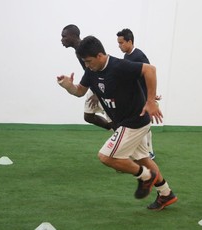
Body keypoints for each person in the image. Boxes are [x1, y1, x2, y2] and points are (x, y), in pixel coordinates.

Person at [56, 35, 178, 210]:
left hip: (135, 121)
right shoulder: (91, 71)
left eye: (89, 61)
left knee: (106, 156)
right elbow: (80, 92)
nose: (87, 65)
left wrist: (151, 101)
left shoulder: (119, 66)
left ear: (100, 55)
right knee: (144, 159)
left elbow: (150, 70)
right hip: (125, 122)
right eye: (85, 62)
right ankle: (166, 194)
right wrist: (68, 86)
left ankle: (146, 177)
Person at [61, 24, 114, 130]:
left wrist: (97, 93)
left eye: (64, 36)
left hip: (102, 85)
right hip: (93, 84)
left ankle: (117, 129)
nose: (62, 40)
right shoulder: (79, 51)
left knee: (112, 116)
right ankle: (112, 127)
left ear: (73, 35)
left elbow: (97, 71)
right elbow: (89, 72)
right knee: (88, 116)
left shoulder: (85, 49)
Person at [116, 28, 157, 160]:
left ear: (130, 41)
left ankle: (149, 152)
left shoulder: (139, 56)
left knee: (144, 125)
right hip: (135, 97)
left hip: (143, 98)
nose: (119, 46)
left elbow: (150, 74)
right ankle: (144, 152)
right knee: (140, 125)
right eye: (118, 43)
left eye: (121, 43)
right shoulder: (126, 56)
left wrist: (151, 98)